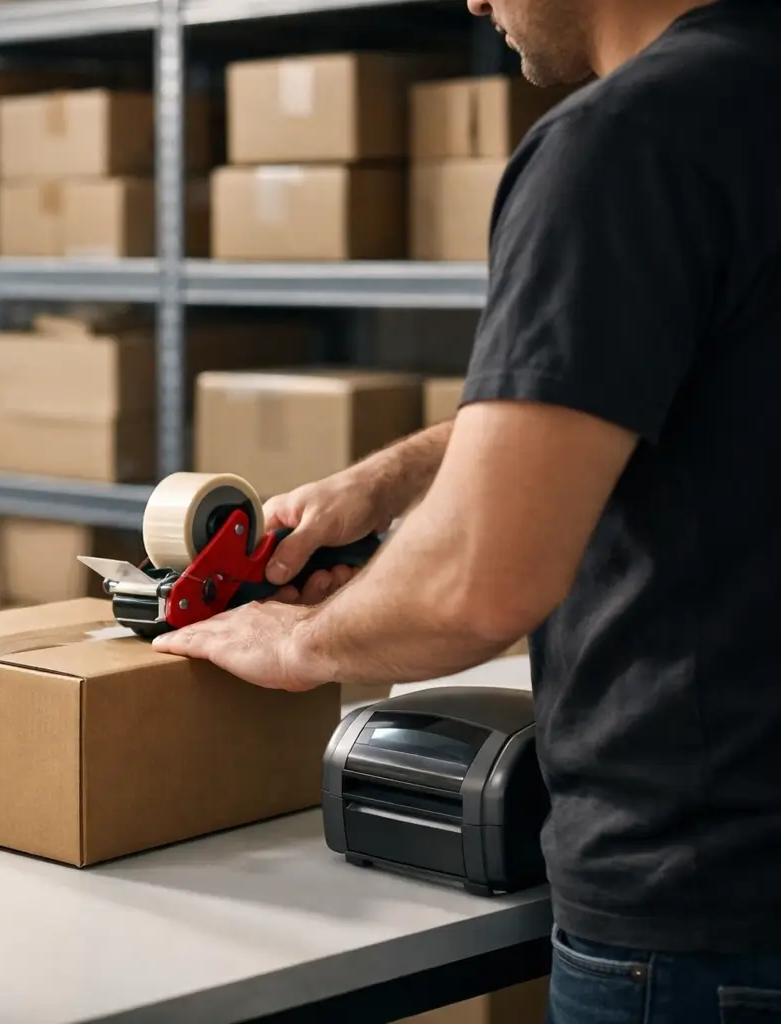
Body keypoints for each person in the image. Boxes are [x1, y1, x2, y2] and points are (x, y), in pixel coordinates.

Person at [151, 0, 781, 1021]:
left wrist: (303, 639)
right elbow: (655, 385)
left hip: (706, 915)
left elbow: (477, 582)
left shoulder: (617, 144)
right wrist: (390, 481)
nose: (475, 0)